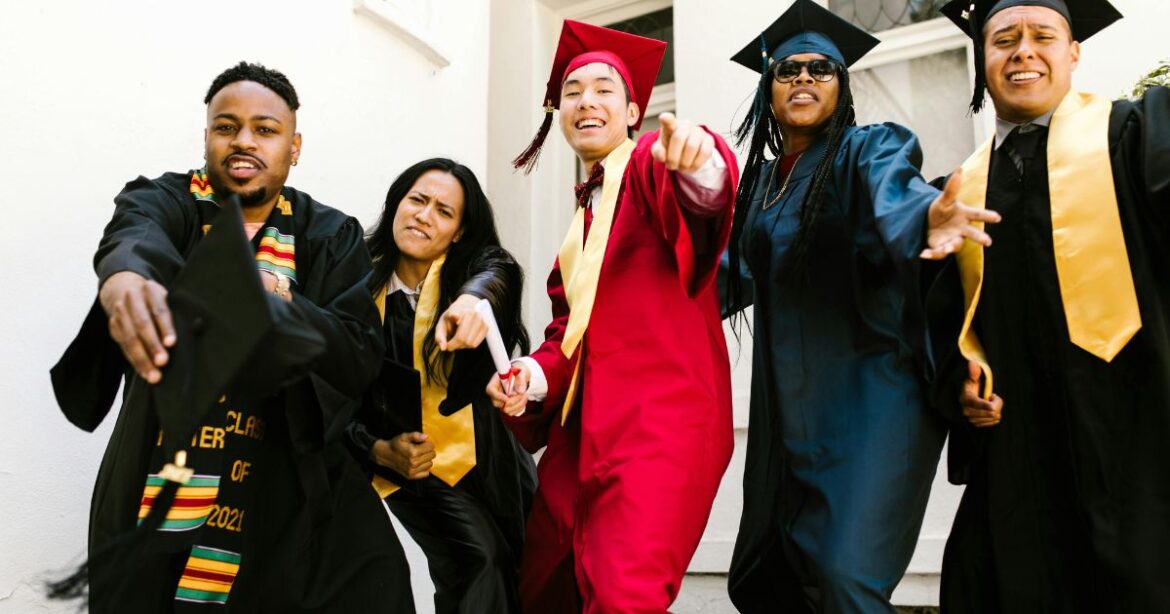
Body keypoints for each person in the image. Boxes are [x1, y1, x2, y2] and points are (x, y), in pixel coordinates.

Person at [49, 61, 413, 612]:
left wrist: (272, 304)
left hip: (279, 477)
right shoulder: (164, 199)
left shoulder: (329, 234)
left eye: (265, 129)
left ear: (294, 147)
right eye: (226, 126)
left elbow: (356, 351)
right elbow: (135, 239)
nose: (244, 140)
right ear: (207, 138)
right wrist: (124, 280)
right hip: (159, 465)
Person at [719, 2, 1001, 612]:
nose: (803, 78)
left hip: (876, 396)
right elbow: (719, 281)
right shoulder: (759, 186)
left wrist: (927, 218)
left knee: (848, 575)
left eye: (821, 69)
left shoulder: (865, 151)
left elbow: (895, 196)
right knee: (778, 575)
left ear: (842, 86)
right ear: (767, 89)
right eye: (787, 70)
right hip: (789, 411)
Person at [486, 19, 739, 613]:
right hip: (584, 434)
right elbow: (567, 336)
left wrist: (699, 164)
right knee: (546, 580)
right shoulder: (577, 233)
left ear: (632, 112)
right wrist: (531, 375)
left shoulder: (649, 161)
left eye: (604, 90)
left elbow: (700, 195)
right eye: (572, 92)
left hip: (658, 422)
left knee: (624, 594)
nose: (586, 102)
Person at [928, 0, 1170, 611]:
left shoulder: (1135, 137)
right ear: (982, 60)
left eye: (1043, 35)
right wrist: (961, 386)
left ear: (1074, 52)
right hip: (1017, 459)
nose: (1024, 52)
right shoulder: (959, 193)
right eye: (1003, 39)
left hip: (1137, 436)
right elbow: (938, 321)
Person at [345, 158, 536, 613]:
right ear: (397, 203)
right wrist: (375, 449)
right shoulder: (354, 288)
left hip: (494, 455)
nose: (424, 215)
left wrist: (472, 302)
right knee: (478, 562)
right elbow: (331, 391)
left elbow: (497, 273)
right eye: (417, 200)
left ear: (459, 233)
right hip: (415, 464)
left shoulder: (471, 277)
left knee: (528, 571)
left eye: (444, 211)